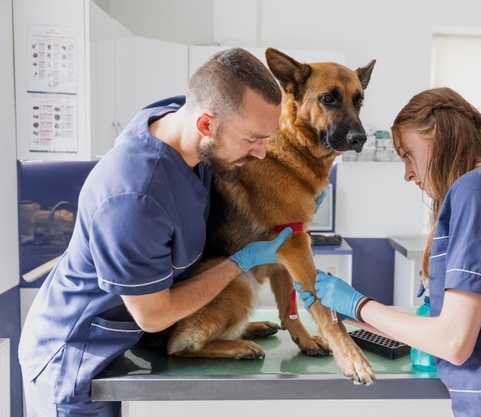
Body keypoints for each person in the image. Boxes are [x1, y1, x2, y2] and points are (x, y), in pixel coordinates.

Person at [19, 48, 293, 417]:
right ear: (206, 125)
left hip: (119, 346)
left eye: (266, 138)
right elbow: (154, 315)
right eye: (251, 140)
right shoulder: (134, 198)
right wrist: (240, 263)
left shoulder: (179, 118)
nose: (261, 153)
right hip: (73, 357)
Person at [298, 87, 481, 416]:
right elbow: (445, 333)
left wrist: (357, 303)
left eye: (408, 154)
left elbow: (452, 342)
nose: (408, 174)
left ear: (438, 135)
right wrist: (349, 312)